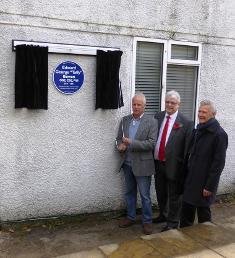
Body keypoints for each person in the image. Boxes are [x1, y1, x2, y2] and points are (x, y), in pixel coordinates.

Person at [180, 100, 228, 227]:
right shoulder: (199, 130)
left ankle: (207, 243)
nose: (200, 114)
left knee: (204, 218)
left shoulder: (219, 134)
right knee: (185, 215)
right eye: (199, 111)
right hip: (191, 180)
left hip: (204, 184)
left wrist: (209, 186)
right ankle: (185, 241)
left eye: (204, 112)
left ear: (213, 114)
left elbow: (218, 164)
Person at [116, 93, 158, 235]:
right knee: (129, 193)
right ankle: (131, 217)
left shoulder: (151, 121)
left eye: (139, 104)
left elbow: (151, 144)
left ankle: (147, 221)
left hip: (143, 165)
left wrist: (131, 142)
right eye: (134, 104)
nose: (136, 107)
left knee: (145, 195)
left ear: (144, 106)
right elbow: (118, 139)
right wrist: (120, 146)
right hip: (127, 164)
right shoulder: (124, 120)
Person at [153, 90, 193, 232]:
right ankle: (163, 215)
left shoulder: (186, 123)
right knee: (160, 192)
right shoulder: (157, 117)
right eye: (167, 102)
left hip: (175, 166)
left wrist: (184, 168)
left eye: (173, 103)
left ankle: (172, 222)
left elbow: (187, 148)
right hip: (158, 164)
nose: (169, 105)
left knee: (175, 196)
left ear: (178, 104)